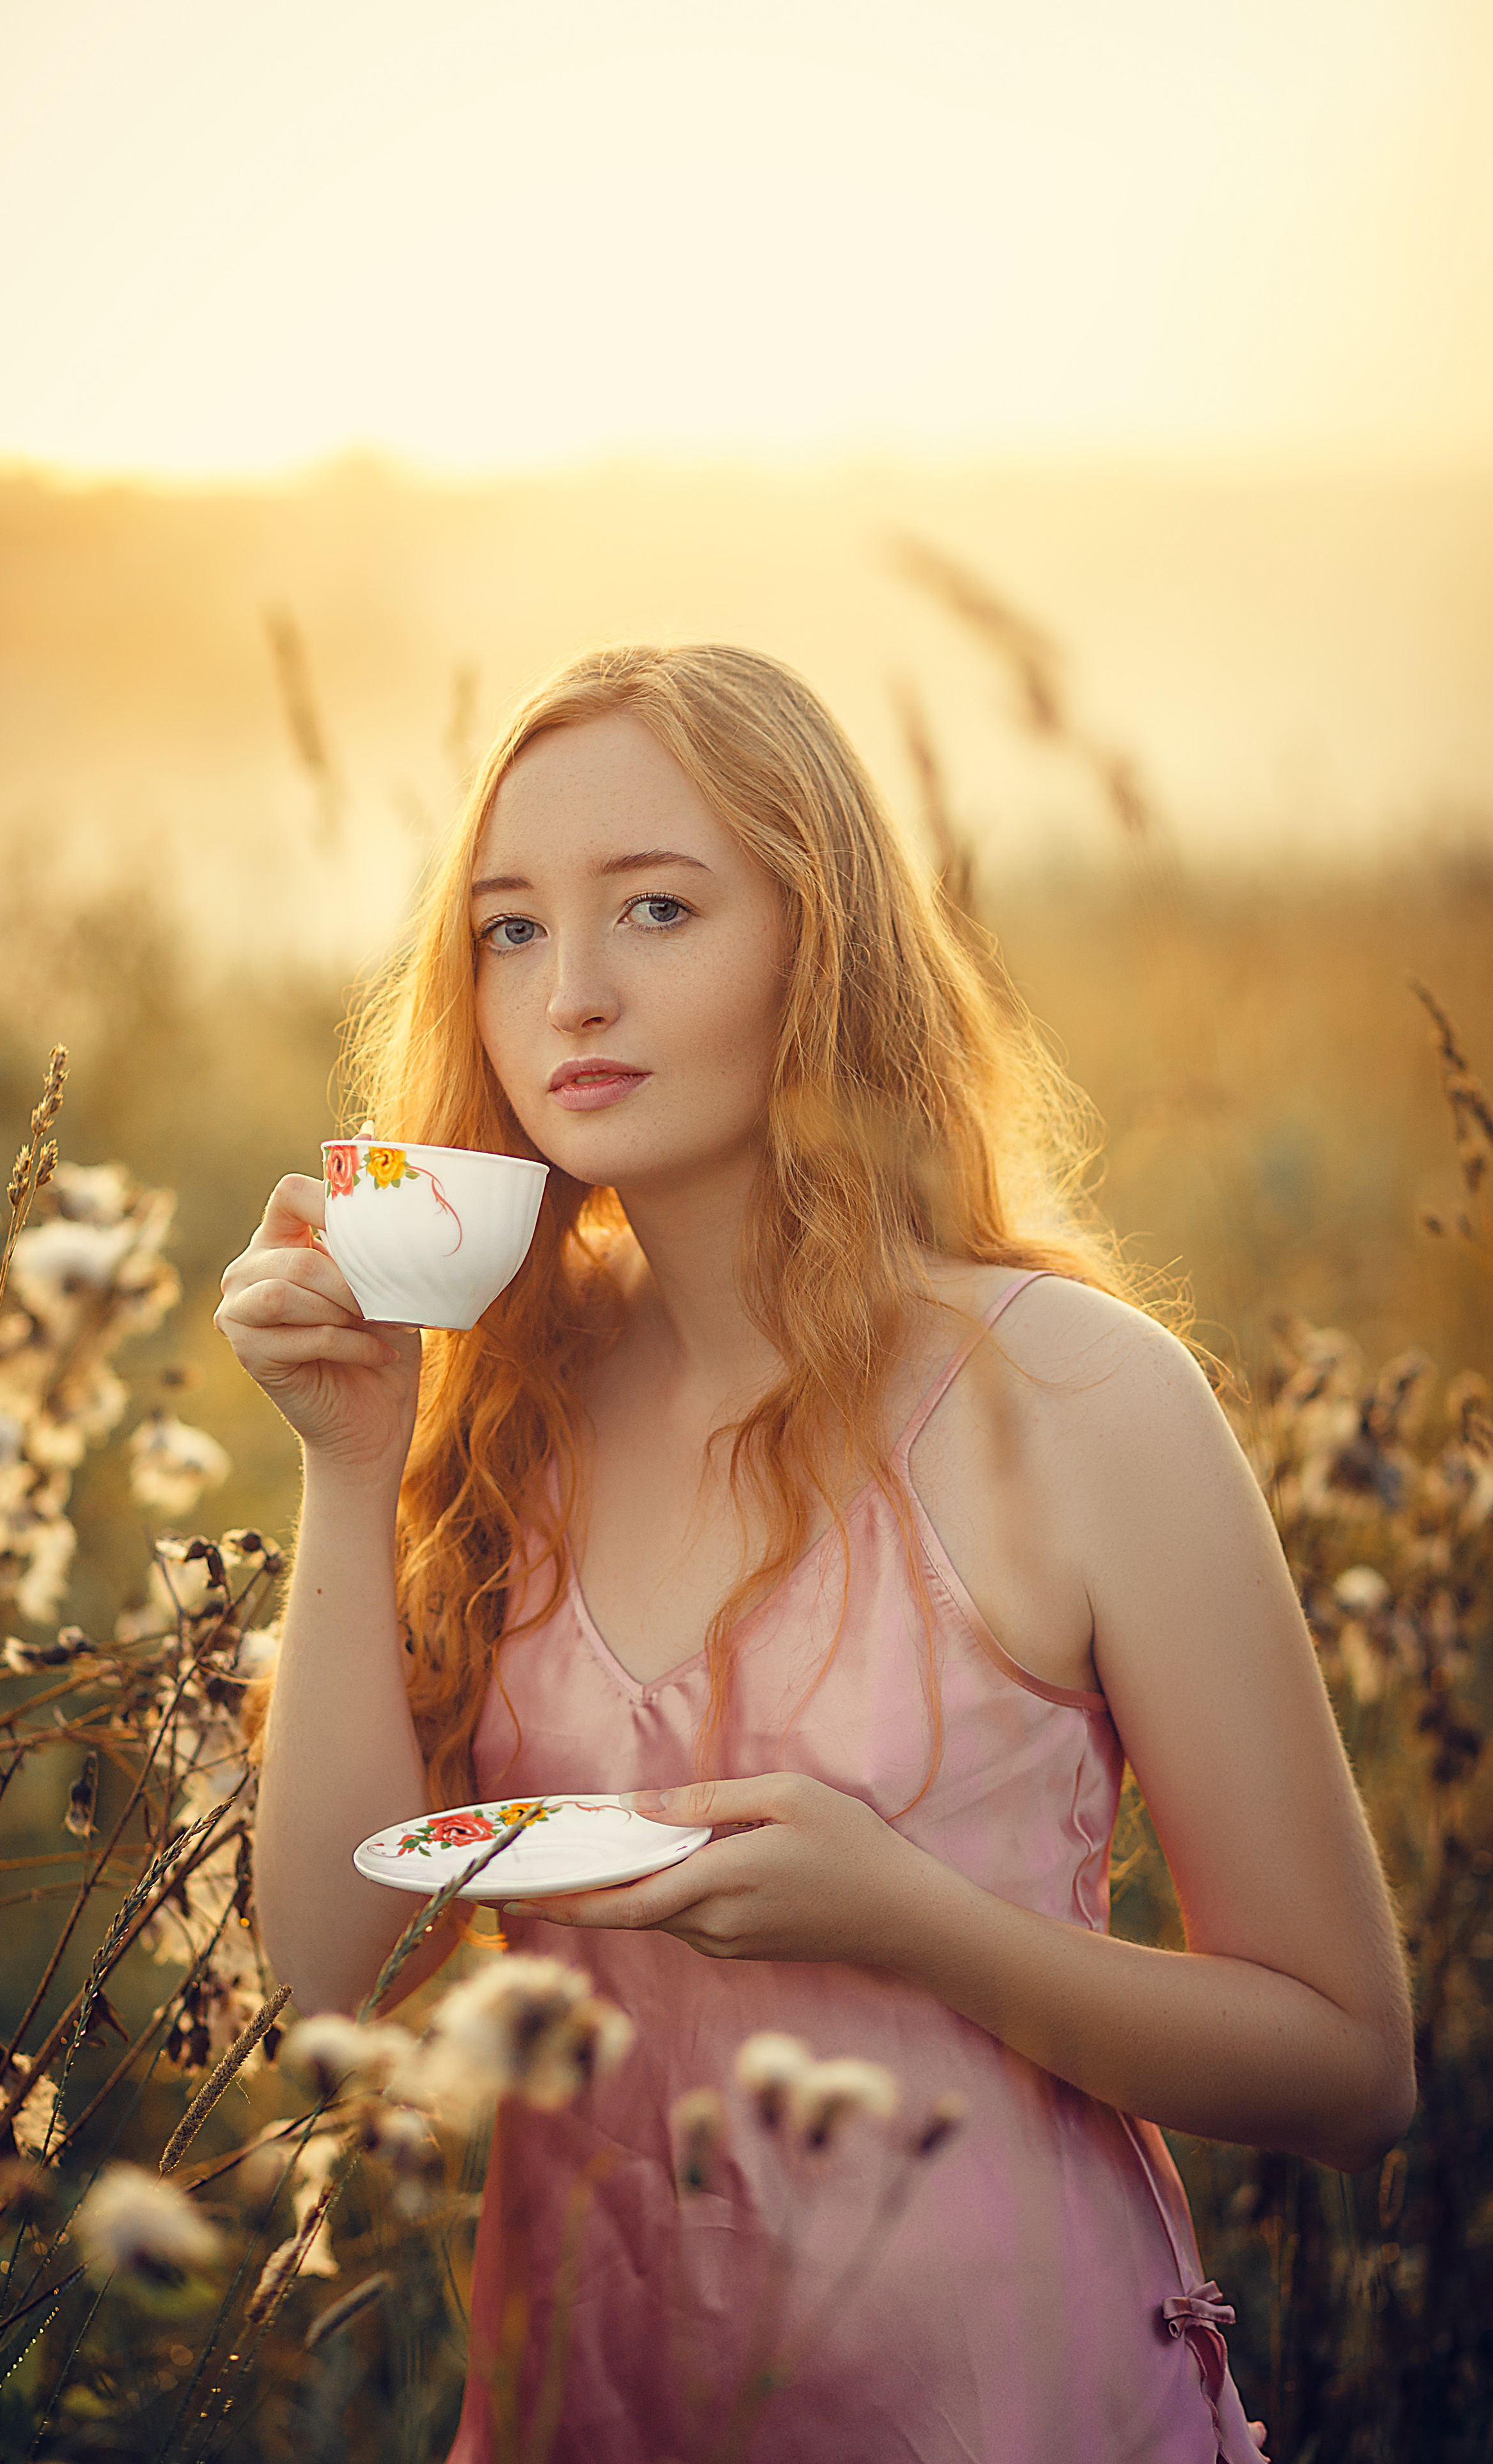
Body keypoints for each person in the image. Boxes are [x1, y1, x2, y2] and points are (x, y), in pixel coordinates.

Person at [216, 643, 1413, 2464]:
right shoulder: (506, 1394)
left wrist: (912, 1924)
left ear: (821, 939)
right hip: (586, 2419)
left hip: (1016, 2411)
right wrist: (345, 1465)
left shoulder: (1075, 1395)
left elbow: (1347, 2066)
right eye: (511, 930)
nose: (573, 994)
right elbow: (329, 1973)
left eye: (660, 909)